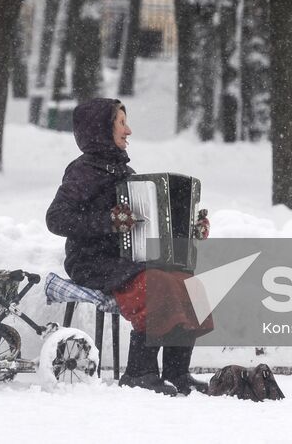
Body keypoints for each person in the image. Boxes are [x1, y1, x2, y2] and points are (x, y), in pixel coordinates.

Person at [45, 98, 212, 395]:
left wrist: (189, 229)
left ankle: (177, 372)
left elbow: (152, 223)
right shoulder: (83, 171)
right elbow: (56, 219)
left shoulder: (124, 171)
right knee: (156, 284)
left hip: (125, 260)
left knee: (189, 284)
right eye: (121, 123)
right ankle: (139, 372)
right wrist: (108, 221)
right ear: (100, 130)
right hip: (92, 261)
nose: (129, 130)